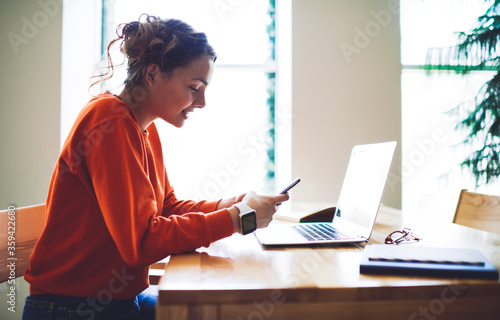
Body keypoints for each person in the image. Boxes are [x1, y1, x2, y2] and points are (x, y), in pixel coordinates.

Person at [22, 15, 289, 320]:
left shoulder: (143, 128)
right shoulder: (109, 121)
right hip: (72, 308)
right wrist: (236, 220)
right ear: (151, 75)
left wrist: (231, 205)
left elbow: (167, 206)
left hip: (114, 300)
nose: (202, 102)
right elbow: (141, 242)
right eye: (194, 87)